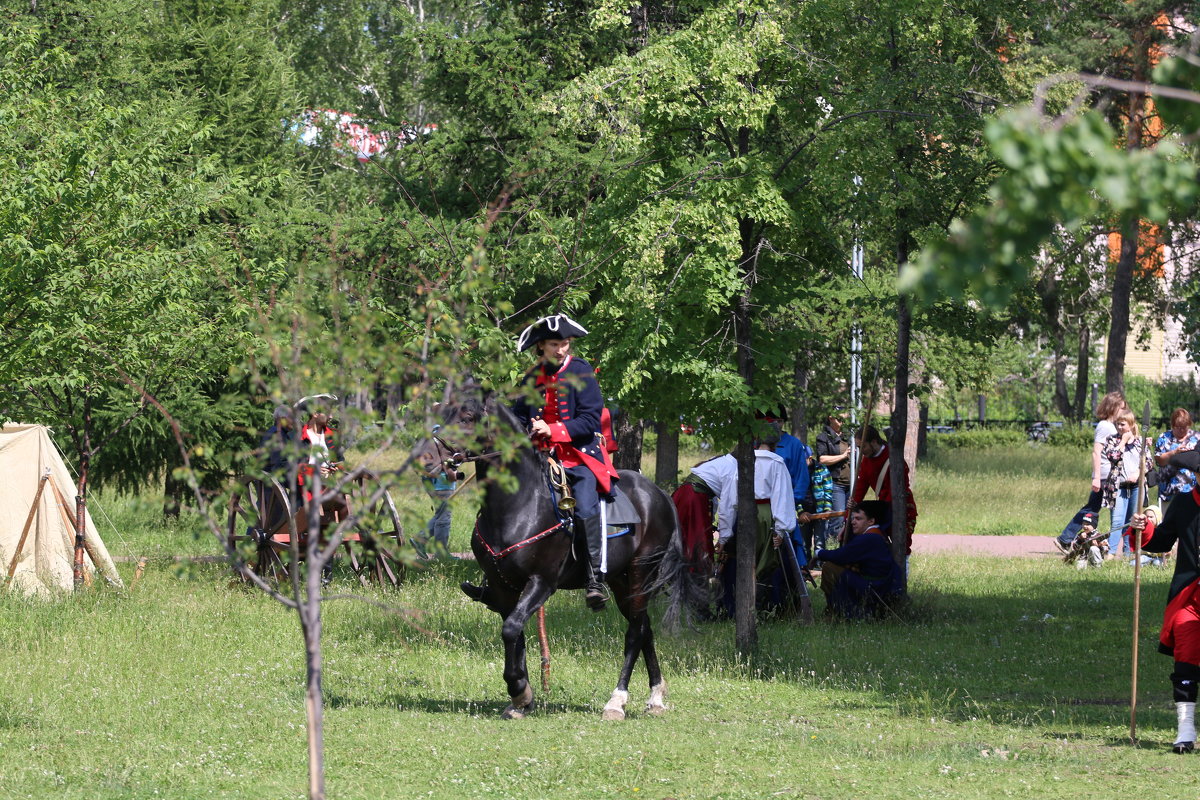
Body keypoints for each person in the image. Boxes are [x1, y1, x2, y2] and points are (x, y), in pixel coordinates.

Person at [512, 313, 619, 611]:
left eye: (566, 344)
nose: (561, 350)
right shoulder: (533, 376)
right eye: (554, 344)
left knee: (585, 509)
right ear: (541, 347)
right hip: (538, 458)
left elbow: (590, 421)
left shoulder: (582, 372)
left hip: (578, 458)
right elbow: (519, 414)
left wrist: (554, 430)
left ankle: (594, 579)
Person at [684, 425, 802, 617]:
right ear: (775, 444)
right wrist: (781, 529)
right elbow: (782, 497)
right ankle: (761, 610)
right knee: (765, 564)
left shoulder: (744, 461)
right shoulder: (777, 463)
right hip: (765, 516)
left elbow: (729, 501)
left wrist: (725, 535)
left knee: (735, 559)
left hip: (742, 514)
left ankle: (731, 608)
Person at [1130, 450, 1200, 754]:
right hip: (1189, 597)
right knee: (1185, 660)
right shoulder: (1184, 503)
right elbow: (1160, 542)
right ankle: (1185, 731)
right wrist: (1142, 526)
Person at [1055, 391, 1126, 552]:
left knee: (1092, 508)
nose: (1122, 412)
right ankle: (1067, 539)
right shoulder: (1104, 426)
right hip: (1104, 475)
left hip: (1109, 475)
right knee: (1091, 509)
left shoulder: (1110, 427)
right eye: (1120, 408)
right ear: (1112, 407)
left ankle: (1069, 539)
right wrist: (1096, 477)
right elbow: (1096, 452)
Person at [815, 500, 902, 619]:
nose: (853, 522)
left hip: (874, 588)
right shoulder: (875, 535)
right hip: (877, 584)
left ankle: (841, 611)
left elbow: (841, 556)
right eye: (853, 518)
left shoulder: (870, 538)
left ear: (871, 521)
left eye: (858, 519)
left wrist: (819, 553)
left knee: (830, 568)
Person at [851, 425, 917, 556]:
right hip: (883, 509)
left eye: (863, 446)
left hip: (901, 510)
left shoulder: (893, 458)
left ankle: (901, 574)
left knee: (901, 548)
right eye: (858, 447)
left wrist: (877, 512)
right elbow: (859, 490)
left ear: (874, 442)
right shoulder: (865, 462)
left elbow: (895, 493)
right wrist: (849, 514)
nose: (861, 451)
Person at [1101, 408, 1151, 560]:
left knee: (1133, 521)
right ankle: (1110, 553)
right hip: (1119, 488)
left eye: (1122, 424)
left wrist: (1138, 473)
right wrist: (1122, 441)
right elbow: (1112, 457)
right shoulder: (1112, 440)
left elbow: (1149, 462)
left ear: (1131, 424)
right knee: (1117, 521)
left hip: (1136, 487)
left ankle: (1129, 554)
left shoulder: (1139, 442)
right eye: (1117, 424)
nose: (1119, 427)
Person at [815, 408, 852, 547]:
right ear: (831, 418)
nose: (842, 422)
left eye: (844, 419)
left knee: (851, 518)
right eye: (839, 419)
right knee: (837, 518)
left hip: (852, 483)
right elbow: (822, 459)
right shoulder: (823, 437)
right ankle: (832, 548)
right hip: (836, 483)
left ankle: (846, 549)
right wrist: (843, 456)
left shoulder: (849, 436)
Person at [1157, 408, 1199, 509]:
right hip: (1169, 491)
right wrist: (1174, 453)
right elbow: (1159, 461)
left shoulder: (1197, 437)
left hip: (1192, 490)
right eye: (1178, 427)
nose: (1181, 430)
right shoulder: (1164, 437)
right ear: (1172, 425)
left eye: (1184, 427)